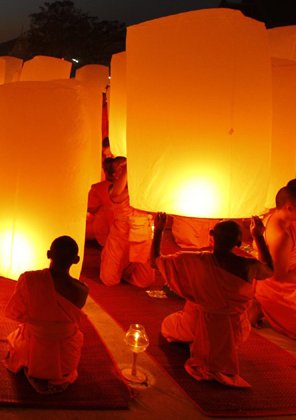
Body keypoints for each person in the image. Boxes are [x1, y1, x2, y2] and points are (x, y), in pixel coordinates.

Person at [152, 213, 274, 387]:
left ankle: (197, 343)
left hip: (197, 323)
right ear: (239, 244)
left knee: (168, 325)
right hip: (236, 332)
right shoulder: (249, 266)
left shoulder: (194, 259)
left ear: (211, 235)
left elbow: (155, 261)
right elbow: (270, 270)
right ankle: (209, 347)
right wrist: (258, 236)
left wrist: (158, 231)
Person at [4, 236, 88, 395]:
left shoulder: (29, 279)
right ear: (76, 260)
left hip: (36, 349)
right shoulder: (82, 290)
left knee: (17, 337)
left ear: (49, 254)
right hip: (66, 360)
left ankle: (34, 369)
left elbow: (16, 313)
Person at [99, 157, 155, 287]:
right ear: (116, 175)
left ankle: (127, 271)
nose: (125, 169)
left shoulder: (145, 188)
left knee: (145, 282)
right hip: (121, 237)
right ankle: (117, 266)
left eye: (126, 166)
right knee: (109, 280)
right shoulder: (114, 189)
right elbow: (116, 195)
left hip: (142, 236)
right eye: (121, 167)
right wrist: (130, 166)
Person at [249, 186, 296, 338]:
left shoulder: (275, 214)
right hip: (280, 288)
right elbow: (279, 276)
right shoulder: (282, 236)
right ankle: (263, 307)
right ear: (289, 207)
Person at [85, 157, 116, 246]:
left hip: (103, 225)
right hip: (121, 227)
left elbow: (91, 208)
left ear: (105, 171)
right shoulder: (127, 188)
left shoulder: (98, 188)